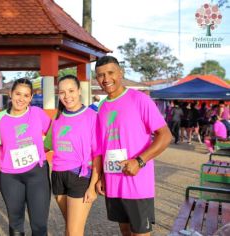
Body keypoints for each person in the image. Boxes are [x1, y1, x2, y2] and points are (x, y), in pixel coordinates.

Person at [94, 56, 172, 236]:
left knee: (140, 233)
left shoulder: (139, 100)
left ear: (121, 73)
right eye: (100, 75)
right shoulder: (102, 106)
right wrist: (102, 177)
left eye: (111, 73)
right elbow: (103, 145)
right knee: (124, 231)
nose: (106, 79)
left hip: (136, 183)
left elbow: (165, 136)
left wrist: (139, 161)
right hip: (114, 181)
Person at [0, 78, 51, 236]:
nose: (21, 99)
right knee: (15, 224)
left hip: (37, 174)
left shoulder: (37, 113)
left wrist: (44, 149)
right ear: (10, 94)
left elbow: (53, 133)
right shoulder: (0, 119)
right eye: (18, 94)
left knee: (39, 225)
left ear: (30, 98)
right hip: (10, 177)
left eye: (26, 95)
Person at [44, 75, 101, 235]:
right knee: (69, 229)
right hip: (57, 176)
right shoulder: (58, 118)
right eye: (62, 92)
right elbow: (46, 147)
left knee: (74, 231)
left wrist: (92, 186)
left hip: (80, 177)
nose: (67, 96)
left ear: (79, 91)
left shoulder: (92, 117)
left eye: (71, 91)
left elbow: (98, 155)